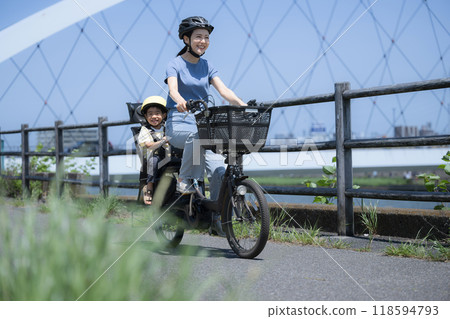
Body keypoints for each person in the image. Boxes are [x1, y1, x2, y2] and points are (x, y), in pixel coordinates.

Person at [164, 16, 246, 234]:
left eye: (207, 37)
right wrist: (180, 101)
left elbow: (223, 91)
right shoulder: (175, 64)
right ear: (186, 39)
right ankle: (184, 179)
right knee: (196, 138)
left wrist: (241, 104)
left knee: (220, 171)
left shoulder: (208, 66)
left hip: (203, 125)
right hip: (179, 123)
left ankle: (218, 220)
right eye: (198, 36)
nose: (203, 41)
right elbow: (173, 89)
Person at [137, 96, 170, 205]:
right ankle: (149, 186)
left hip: (169, 156)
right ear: (145, 116)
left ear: (164, 115)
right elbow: (148, 145)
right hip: (153, 158)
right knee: (154, 160)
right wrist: (162, 141)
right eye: (150, 114)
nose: (154, 116)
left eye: (157, 113)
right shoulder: (145, 129)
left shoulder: (168, 127)